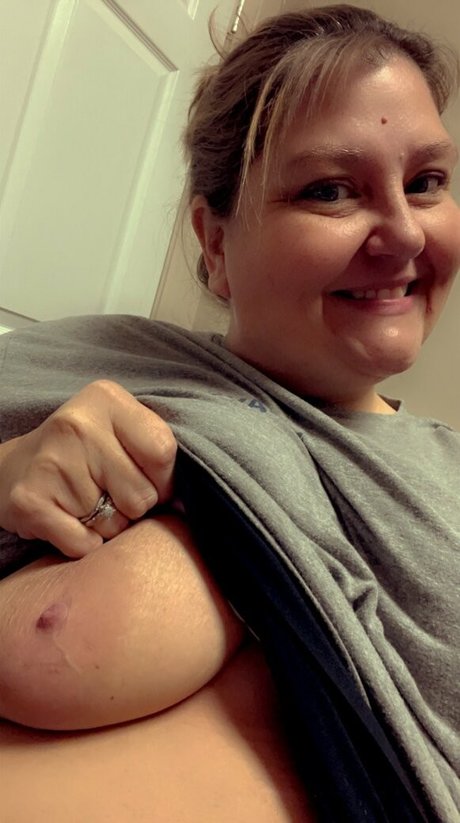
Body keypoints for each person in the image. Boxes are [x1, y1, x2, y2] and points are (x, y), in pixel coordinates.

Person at [0, 4, 459, 821]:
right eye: (330, 190)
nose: (403, 233)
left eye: (426, 181)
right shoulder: (97, 362)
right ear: (214, 243)